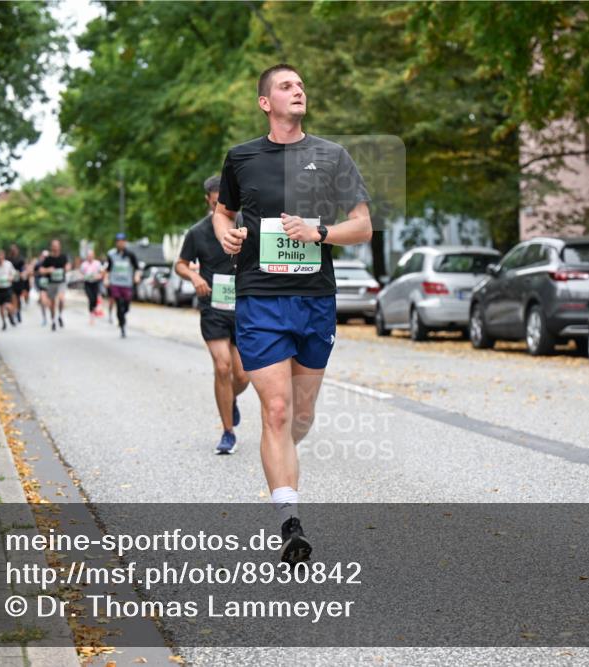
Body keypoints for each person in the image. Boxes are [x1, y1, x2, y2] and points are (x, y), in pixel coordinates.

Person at [213, 64, 372, 565]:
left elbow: (363, 227)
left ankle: (279, 449)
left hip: (314, 300)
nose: (298, 90)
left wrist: (319, 232)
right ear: (265, 102)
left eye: (302, 84)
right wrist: (227, 233)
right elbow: (224, 212)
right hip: (259, 297)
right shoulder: (241, 158)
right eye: (286, 86)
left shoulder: (332, 156)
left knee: (299, 416)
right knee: (277, 410)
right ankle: (290, 522)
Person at [177, 175, 250, 454]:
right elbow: (180, 264)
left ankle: (228, 399)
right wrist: (193, 277)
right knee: (222, 367)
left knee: (242, 375)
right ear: (209, 200)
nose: (224, 206)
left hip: (243, 306)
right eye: (217, 201)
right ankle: (228, 432)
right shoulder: (197, 232)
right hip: (213, 307)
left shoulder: (247, 224)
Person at [102, 233, 140, 338]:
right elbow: (108, 269)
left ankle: (122, 317)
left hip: (127, 284)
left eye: (122, 241)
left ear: (125, 242)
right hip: (115, 283)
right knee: (119, 303)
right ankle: (122, 326)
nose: (120, 243)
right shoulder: (112, 255)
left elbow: (137, 268)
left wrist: (136, 276)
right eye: (118, 242)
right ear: (116, 243)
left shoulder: (130, 255)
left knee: (126, 306)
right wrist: (106, 279)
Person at [38, 239, 69, 331]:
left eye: (57, 245)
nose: (55, 247)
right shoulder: (48, 259)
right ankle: (53, 320)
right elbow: (41, 270)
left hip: (61, 282)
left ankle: (60, 315)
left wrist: (67, 268)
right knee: (52, 303)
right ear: (51, 247)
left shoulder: (63, 257)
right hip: (51, 283)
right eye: (53, 246)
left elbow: (68, 265)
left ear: (60, 247)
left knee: (61, 298)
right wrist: (48, 270)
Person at [80, 249, 103, 325]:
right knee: (91, 298)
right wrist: (83, 277)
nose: (90, 257)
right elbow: (81, 273)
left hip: (95, 283)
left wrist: (98, 276)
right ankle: (91, 316)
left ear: (93, 256)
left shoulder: (97, 263)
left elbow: (101, 273)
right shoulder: (84, 264)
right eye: (89, 256)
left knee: (95, 299)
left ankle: (94, 310)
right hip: (87, 283)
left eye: (91, 255)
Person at [7, 244, 27, 323]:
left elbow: (24, 268)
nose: (13, 251)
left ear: (17, 250)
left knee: (18, 298)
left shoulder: (20, 259)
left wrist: (23, 274)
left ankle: (18, 311)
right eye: (12, 250)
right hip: (11, 281)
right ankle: (13, 312)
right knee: (12, 297)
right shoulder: (8, 260)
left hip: (19, 281)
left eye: (14, 250)